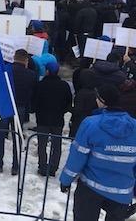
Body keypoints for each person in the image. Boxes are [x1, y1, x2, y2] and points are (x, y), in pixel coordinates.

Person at [60, 84, 136, 221]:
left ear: (102, 101)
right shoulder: (134, 126)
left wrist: (66, 180)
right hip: (122, 191)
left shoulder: (90, 124)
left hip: (90, 189)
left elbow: (77, 156)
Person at [0, 49, 37, 175]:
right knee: (17, 136)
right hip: (20, 108)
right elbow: (32, 93)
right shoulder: (31, 74)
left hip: (5, 107)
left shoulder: (5, 70)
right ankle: (15, 166)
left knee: (0, 136)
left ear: (14, 57)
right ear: (26, 60)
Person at [33, 61, 72, 177]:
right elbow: (68, 102)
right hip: (58, 120)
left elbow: (35, 101)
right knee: (56, 145)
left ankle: (42, 166)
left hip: (42, 119)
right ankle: (53, 167)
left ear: (47, 71)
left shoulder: (40, 85)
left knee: (42, 144)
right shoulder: (64, 86)